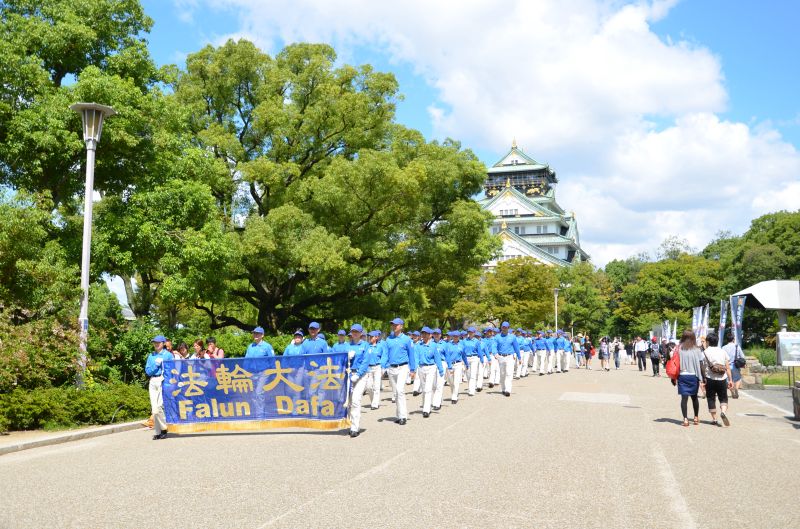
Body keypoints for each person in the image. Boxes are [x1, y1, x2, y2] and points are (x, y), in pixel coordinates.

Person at [381, 317, 416, 425]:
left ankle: (403, 416)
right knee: (396, 392)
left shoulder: (406, 339)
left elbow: (411, 355)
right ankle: (399, 414)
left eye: (396, 325)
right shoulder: (388, 339)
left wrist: (413, 369)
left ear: (401, 326)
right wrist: (383, 367)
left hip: (403, 367)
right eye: (393, 325)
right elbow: (385, 354)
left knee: (400, 390)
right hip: (392, 368)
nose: (394, 326)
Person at [674, 330, 705, 427]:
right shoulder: (697, 349)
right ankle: (696, 417)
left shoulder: (679, 348)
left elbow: (672, 361)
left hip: (682, 376)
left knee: (684, 399)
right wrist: (703, 377)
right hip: (693, 376)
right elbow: (701, 364)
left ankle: (686, 419)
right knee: (694, 397)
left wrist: (673, 377)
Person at [145, 335, 173, 440]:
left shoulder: (168, 355)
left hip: (163, 381)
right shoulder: (151, 356)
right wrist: (156, 365)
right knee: (154, 409)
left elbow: (173, 370)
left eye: (158, 342)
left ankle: (164, 429)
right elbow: (148, 371)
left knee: (159, 407)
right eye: (154, 342)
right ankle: (158, 432)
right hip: (153, 381)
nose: (156, 344)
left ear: (163, 343)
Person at [703, 331, 733, 427]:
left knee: (711, 398)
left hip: (710, 378)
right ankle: (723, 412)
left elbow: (703, 367)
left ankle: (714, 419)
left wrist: (702, 379)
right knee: (723, 397)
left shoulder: (705, 352)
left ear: (707, 342)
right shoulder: (722, 351)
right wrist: (730, 380)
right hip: (722, 378)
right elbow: (727, 368)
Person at [415, 327, 445, 418]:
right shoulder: (418, 346)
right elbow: (416, 358)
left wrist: (440, 370)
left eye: (426, 333)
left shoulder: (433, 346)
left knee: (428, 389)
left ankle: (426, 410)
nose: (424, 335)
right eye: (422, 333)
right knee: (424, 389)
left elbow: (437, 358)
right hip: (421, 368)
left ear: (429, 335)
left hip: (431, 368)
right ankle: (425, 405)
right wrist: (413, 369)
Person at [346, 324, 369, 438]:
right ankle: (351, 424)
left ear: (361, 333)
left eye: (357, 332)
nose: (354, 333)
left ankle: (355, 427)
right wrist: (347, 358)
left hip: (361, 375)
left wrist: (358, 374)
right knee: (349, 402)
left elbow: (365, 362)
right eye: (353, 331)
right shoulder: (348, 346)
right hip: (349, 374)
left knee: (355, 400)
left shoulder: (365, 345)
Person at [495, 322, 520, 396]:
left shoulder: (512, 337)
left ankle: (508, 390)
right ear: (501, 327)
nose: (504, 328)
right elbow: (494, 346)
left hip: (510, 357)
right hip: (501, 357)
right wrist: (495, 353)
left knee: (509, 373)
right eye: (503, 327)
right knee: (502, 374)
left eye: (506, 327)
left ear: (508, 328)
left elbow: (516, 347)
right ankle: (503, 388)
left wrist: (519, 357)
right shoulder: (497, 337)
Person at [445, 331, 468, 404]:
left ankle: (454, 397)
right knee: (451, 382)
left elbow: (464, 356)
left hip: (458, 364)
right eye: (454, 336)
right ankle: (454, 393)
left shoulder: (461, 345)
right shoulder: (448, 345)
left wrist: (466, 364)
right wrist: (449, 366)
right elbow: (447, 356)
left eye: (457, 336)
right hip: (450, 365)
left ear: (459, 337)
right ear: (452, 336)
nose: (455, 337)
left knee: (456, 381)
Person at [366, 330, 385, 410]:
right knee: (368, 387)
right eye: (369, 336)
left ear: (376, 337)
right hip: (368, 368)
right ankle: (373, 400)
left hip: (377, 367)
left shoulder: (380, 347)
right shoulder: (367, 346)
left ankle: (375, 404)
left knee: (376, 386)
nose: (370, 338)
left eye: (371, 336)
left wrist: (383, 368)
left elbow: (383, 357)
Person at [722, 331, 744, 399]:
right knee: (738, 378)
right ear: (733, 339)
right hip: (735, 366)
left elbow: (722, 358)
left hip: (727, 366)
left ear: (727, 340)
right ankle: (736, 389)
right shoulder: (737, 346)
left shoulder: (723, 347)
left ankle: (732, 393)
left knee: (728, 380)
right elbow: (742, 356)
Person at [462, 327, 482, 396]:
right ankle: (470, 387)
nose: (470, 333)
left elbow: (479, 351)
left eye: (472, 332)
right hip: (466, 358)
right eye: (469, 332)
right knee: (468, 374)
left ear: (474, 333)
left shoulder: (477, 341)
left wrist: (481, 359)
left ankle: (471, 390)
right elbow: (462, 351)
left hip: (474, 358)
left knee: (473, 374)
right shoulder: (464, 341)